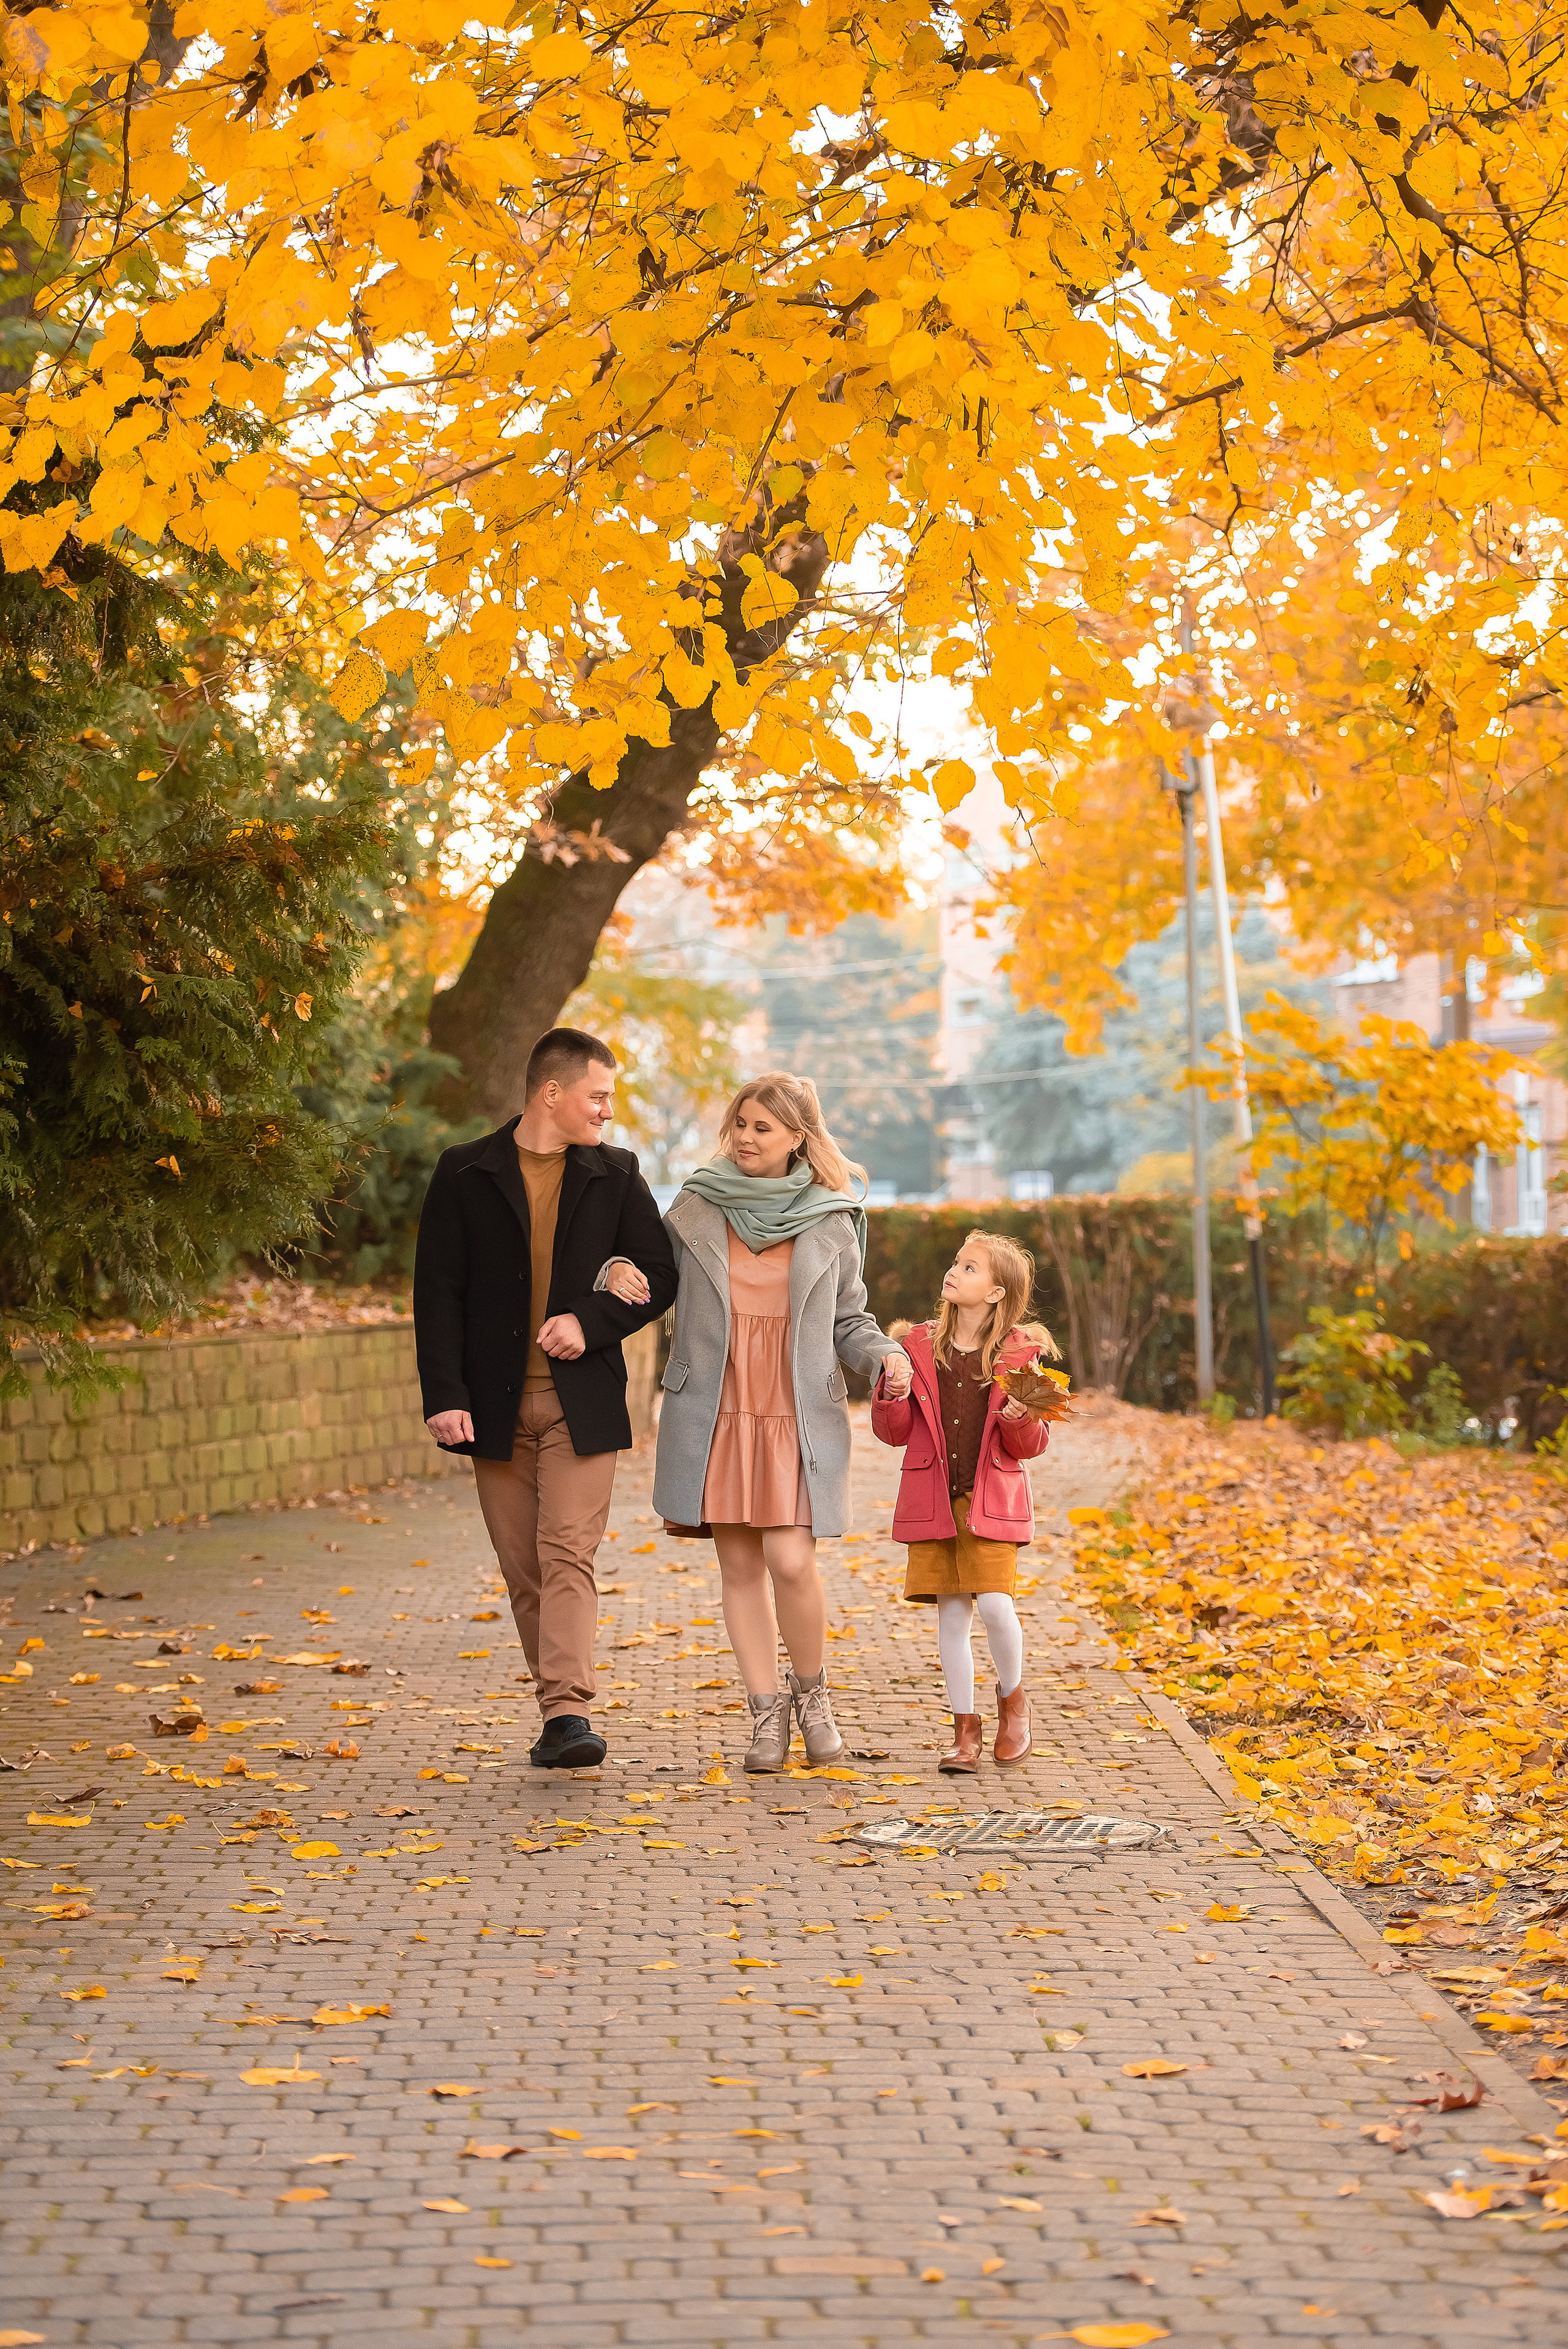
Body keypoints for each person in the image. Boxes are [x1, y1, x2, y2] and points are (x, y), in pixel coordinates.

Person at [599, 1073, 911, 1774]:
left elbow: (849, 1320)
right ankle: (766, 1718)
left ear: (798, 1138)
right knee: (740, 1567)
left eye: (762, 1127)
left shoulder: (831, 1219)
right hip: (716, 1411)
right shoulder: (697, 1206)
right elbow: (647, 1270)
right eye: (739, 1123)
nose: (744, 1137)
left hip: (795, 1414)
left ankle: (815, 1701)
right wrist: (613, 1271)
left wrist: (885, 1355)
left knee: (791, 1561)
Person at [413, 1027, 677, 1771]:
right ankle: (557, 1705)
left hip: (579, 1403)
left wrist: (589, 1321)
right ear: (551, 1093)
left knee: (567, 1552)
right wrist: (445, 1394)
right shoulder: (464, 1172)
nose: (607, 1113)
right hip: (489, 1407)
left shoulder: (616, 1174)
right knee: (522, 1566)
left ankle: (566, 1713)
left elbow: (659, 1274)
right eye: (599, 1097)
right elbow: (437, 1293)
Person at [870, 1231, 1051, 1771]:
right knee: (951, 1615)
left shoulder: (1021, 1356)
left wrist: (1024, 1418)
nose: (955, 1272)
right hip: (933, 1494)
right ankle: (964, 1731)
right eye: (956, 1263)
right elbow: (894, 1432)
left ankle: (1013, 1704)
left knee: (995, 1605)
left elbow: (1029, 1446)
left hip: (990, 1496)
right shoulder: (916, 1346)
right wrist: (891, 1395)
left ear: (996, 1294)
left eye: (970, 1268)